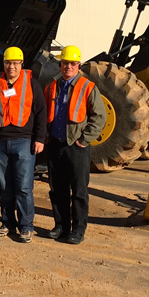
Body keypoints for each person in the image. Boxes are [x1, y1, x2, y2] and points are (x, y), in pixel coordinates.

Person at [0, 46, 47, 244]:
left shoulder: (31, 84)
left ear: (21, 64)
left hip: (24, 142)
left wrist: (40, 139)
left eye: (15, 63)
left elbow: (41, 113)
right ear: (4, 64)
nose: (12, 67)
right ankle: (8, 223)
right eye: (8, 63)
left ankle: (26, 226)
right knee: (6, 186)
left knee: (24, 187)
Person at [44, 45, 105, 245]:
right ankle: (61, 225)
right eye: (65, 63)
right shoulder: (52, 87)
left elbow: (99, 117)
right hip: (56, 145)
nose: (68, 67)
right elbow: (45, 115)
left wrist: (84, 139)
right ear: (60, 64)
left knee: (78, 191)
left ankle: (78, 229)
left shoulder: (88, 87)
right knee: (57, 189)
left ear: (78, 65)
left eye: (72, 63)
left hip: (76, 146)